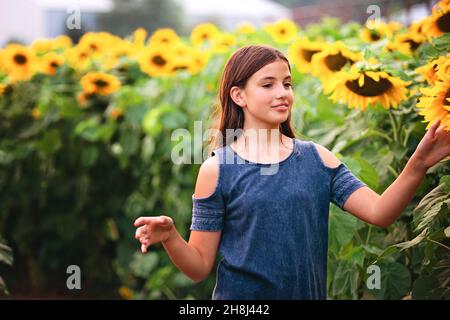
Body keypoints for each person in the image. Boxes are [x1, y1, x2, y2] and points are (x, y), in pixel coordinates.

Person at [133, 45, 450, 300]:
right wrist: (171, 237)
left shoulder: (316, 159)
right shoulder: (217, 169)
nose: (282, 93)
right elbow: (199, 266)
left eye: (287, 84)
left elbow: (380, 213)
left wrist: (419, 162)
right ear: (238, 95)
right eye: (267, 85)